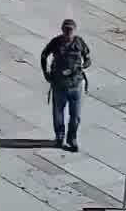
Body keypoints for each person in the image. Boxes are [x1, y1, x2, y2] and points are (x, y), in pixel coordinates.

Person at [39, 17, 90, 152]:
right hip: (59, 85)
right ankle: (59, 137)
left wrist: (81, 67)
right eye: (66, 30)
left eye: (70, 30)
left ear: (74, 30)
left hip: (76, 85)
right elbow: (44, 55)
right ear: (62, 30)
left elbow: (88, 59)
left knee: (76, 116)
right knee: (58, 114)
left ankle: (72, 138)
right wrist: (46, 73)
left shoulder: (79, 43)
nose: (68, 33)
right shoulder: (56, 42)